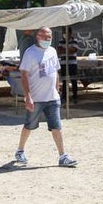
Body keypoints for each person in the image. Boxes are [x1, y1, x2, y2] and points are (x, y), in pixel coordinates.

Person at [16, 26, 77, 167]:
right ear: (38, 36)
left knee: (57, 127)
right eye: (45, 37)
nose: (48, 39)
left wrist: (57, 89)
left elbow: (55, 72)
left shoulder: (53, 51)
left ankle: (63, 155)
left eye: (49, 37)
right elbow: (24, 75)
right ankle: (20, 150)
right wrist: (28, 96)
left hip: (52, 98)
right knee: (29, 125)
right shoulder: (30, 53)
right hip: (36, 98)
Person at [58, 28, 80, 104]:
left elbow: (73, 50)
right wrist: (68, 50)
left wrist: (65, 50)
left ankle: (75, 97)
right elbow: (60, 51)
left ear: (70, 33)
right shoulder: (61, 41)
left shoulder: (75, 40)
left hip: (72, 64)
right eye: (63, 32)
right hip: (64, 63)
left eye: (66, 32)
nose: (64, 34)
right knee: (64, 81)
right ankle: (64, 96)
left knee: (74, 80)